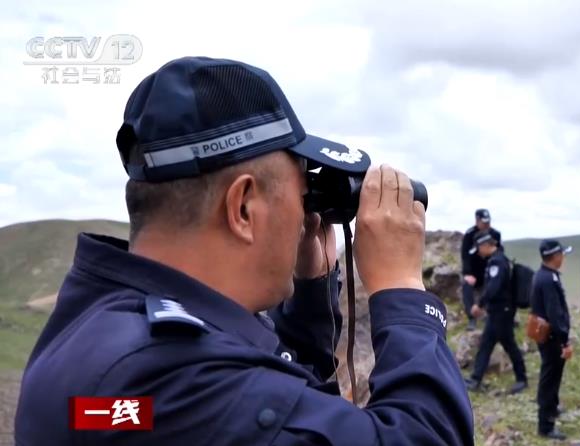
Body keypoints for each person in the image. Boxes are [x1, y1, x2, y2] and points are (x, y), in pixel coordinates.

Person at [14, 56, 473, 445]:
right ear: (243, 206)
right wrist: (403, 289)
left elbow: (278, 414)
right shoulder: (169, 377)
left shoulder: (104, 329)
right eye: (300, 194)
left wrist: (310, 297)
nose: (304, 215)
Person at [464, 230, 527, 394]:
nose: (478, 251)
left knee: (508, 345)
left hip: (502, 310)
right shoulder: (497, 260)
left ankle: (522, 379)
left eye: (479, 247)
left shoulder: (497, 262)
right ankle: (476, 379)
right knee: (488, 343)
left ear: (486, 245)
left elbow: (494, 287)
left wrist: (480, 304)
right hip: (499, 310)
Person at [530, 239, 574, 440]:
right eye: (562, 254)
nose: (563, 257)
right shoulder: (549, 280)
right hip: (552, 338)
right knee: (550, 378)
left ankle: (552, 408)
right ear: (555, 256)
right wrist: (565, 341)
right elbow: (555, 314)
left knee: (552, 376)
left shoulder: (545, 275)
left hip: (548, 336)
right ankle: (546, 425)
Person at [460, 209, 502, 330]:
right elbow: (465, 256)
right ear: (477, 220)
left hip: (490, 271)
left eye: (488, 222)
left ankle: (493, 315)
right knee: (466, 286)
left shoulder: (495, 234)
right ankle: (471, 318)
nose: (486, 224)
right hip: (474, 272)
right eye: (484, 222)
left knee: (495, 287)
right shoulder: (469, 234)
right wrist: (467, 274)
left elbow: (499, 253)